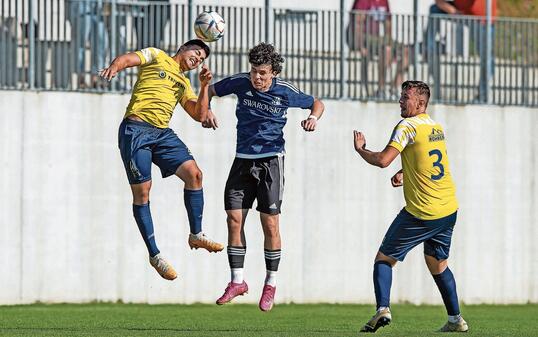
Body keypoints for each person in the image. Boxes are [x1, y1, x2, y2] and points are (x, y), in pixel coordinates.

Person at [203, 43, 325, 311]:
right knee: (233, 219)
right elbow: (210, 91)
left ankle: (270, 283)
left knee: (270, 226)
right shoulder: (240, 82)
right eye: (254, 72)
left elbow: (316, 102)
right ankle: (237, 281)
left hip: (271, 162)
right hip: (242, 161)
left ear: (273, 73)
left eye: (263, 73)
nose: (257, 78)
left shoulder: (285, 91)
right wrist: (206, 109)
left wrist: (313, 118)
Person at [99, 39, 224, 281]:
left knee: (195, 174)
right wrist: (116, 66)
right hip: (136, 130)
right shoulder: (157, 55)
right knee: (143, 193)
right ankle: (155, 255)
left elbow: (198, 114)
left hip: (161, 133)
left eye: (201, 59)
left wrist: (205, 87)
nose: (198, 59)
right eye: (196, 52)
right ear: (183, 48)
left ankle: (196, 234)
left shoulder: (184, 82)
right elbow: (129, 58)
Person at [353, 81, 467, 333]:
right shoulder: (435, 126)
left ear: (420, 103)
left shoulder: (407, 126)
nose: (401, 101)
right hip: (448, 210)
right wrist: (406, 172)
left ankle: (382, 309)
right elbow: (431, 160)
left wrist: (361, 150)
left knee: (383, 259)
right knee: (438, 264)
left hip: (422, 212)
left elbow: (383, 160)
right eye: (401, 96)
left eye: (406, 97)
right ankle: (455, 320)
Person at [426, 0, 497, 102]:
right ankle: (429, 47)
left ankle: (483, 95)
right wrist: (454, 12)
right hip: (462, 11)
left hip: (482, 20)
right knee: (434, 10)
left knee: (487, 58)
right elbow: (439, 2)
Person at [347, 0, 409, 99]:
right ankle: (381, 89)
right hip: (365, 36)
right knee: (386, 49)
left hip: (377, 38)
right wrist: (360, 46)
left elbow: (388, 23)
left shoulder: (384, 2)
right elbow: (357, 23)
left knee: (406, 51)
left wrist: (389, 41)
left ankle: (394, 88)